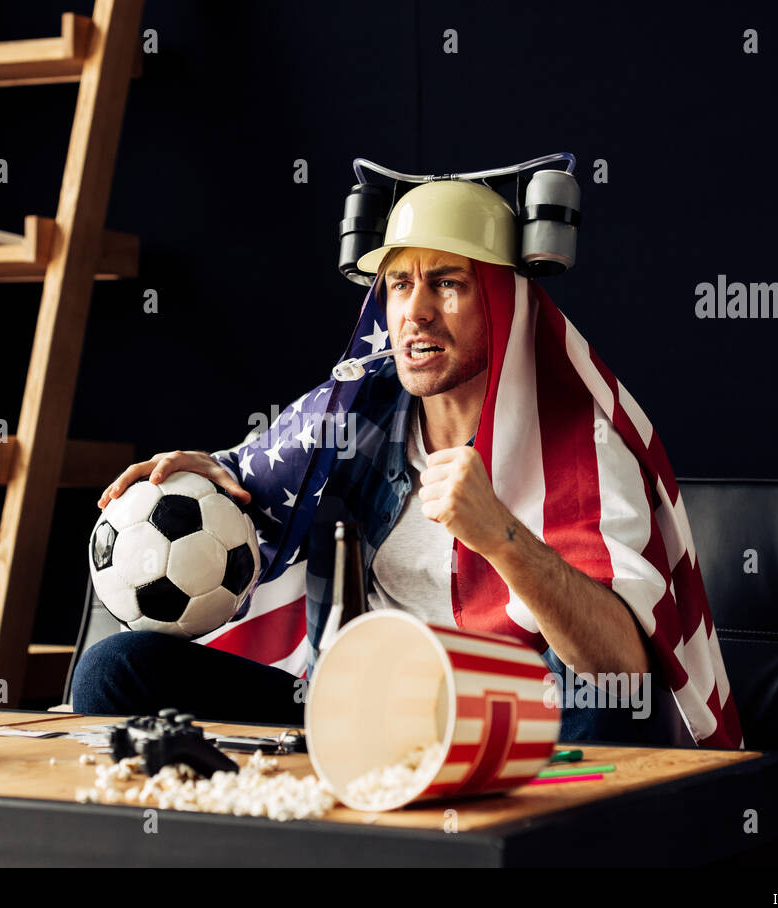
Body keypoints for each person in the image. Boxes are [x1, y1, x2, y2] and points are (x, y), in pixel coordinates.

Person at [72, 180, 741, 750]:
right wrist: (201, 472)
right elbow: (252, 483)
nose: (415, 311)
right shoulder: (355, 413)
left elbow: (623, 667)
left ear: (504, 302)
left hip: (504, 728)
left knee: (601, 694)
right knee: (115, 670)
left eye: (447, 284)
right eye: (399, 284)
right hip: (352, 714)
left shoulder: (582, 442)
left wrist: (503, 537)